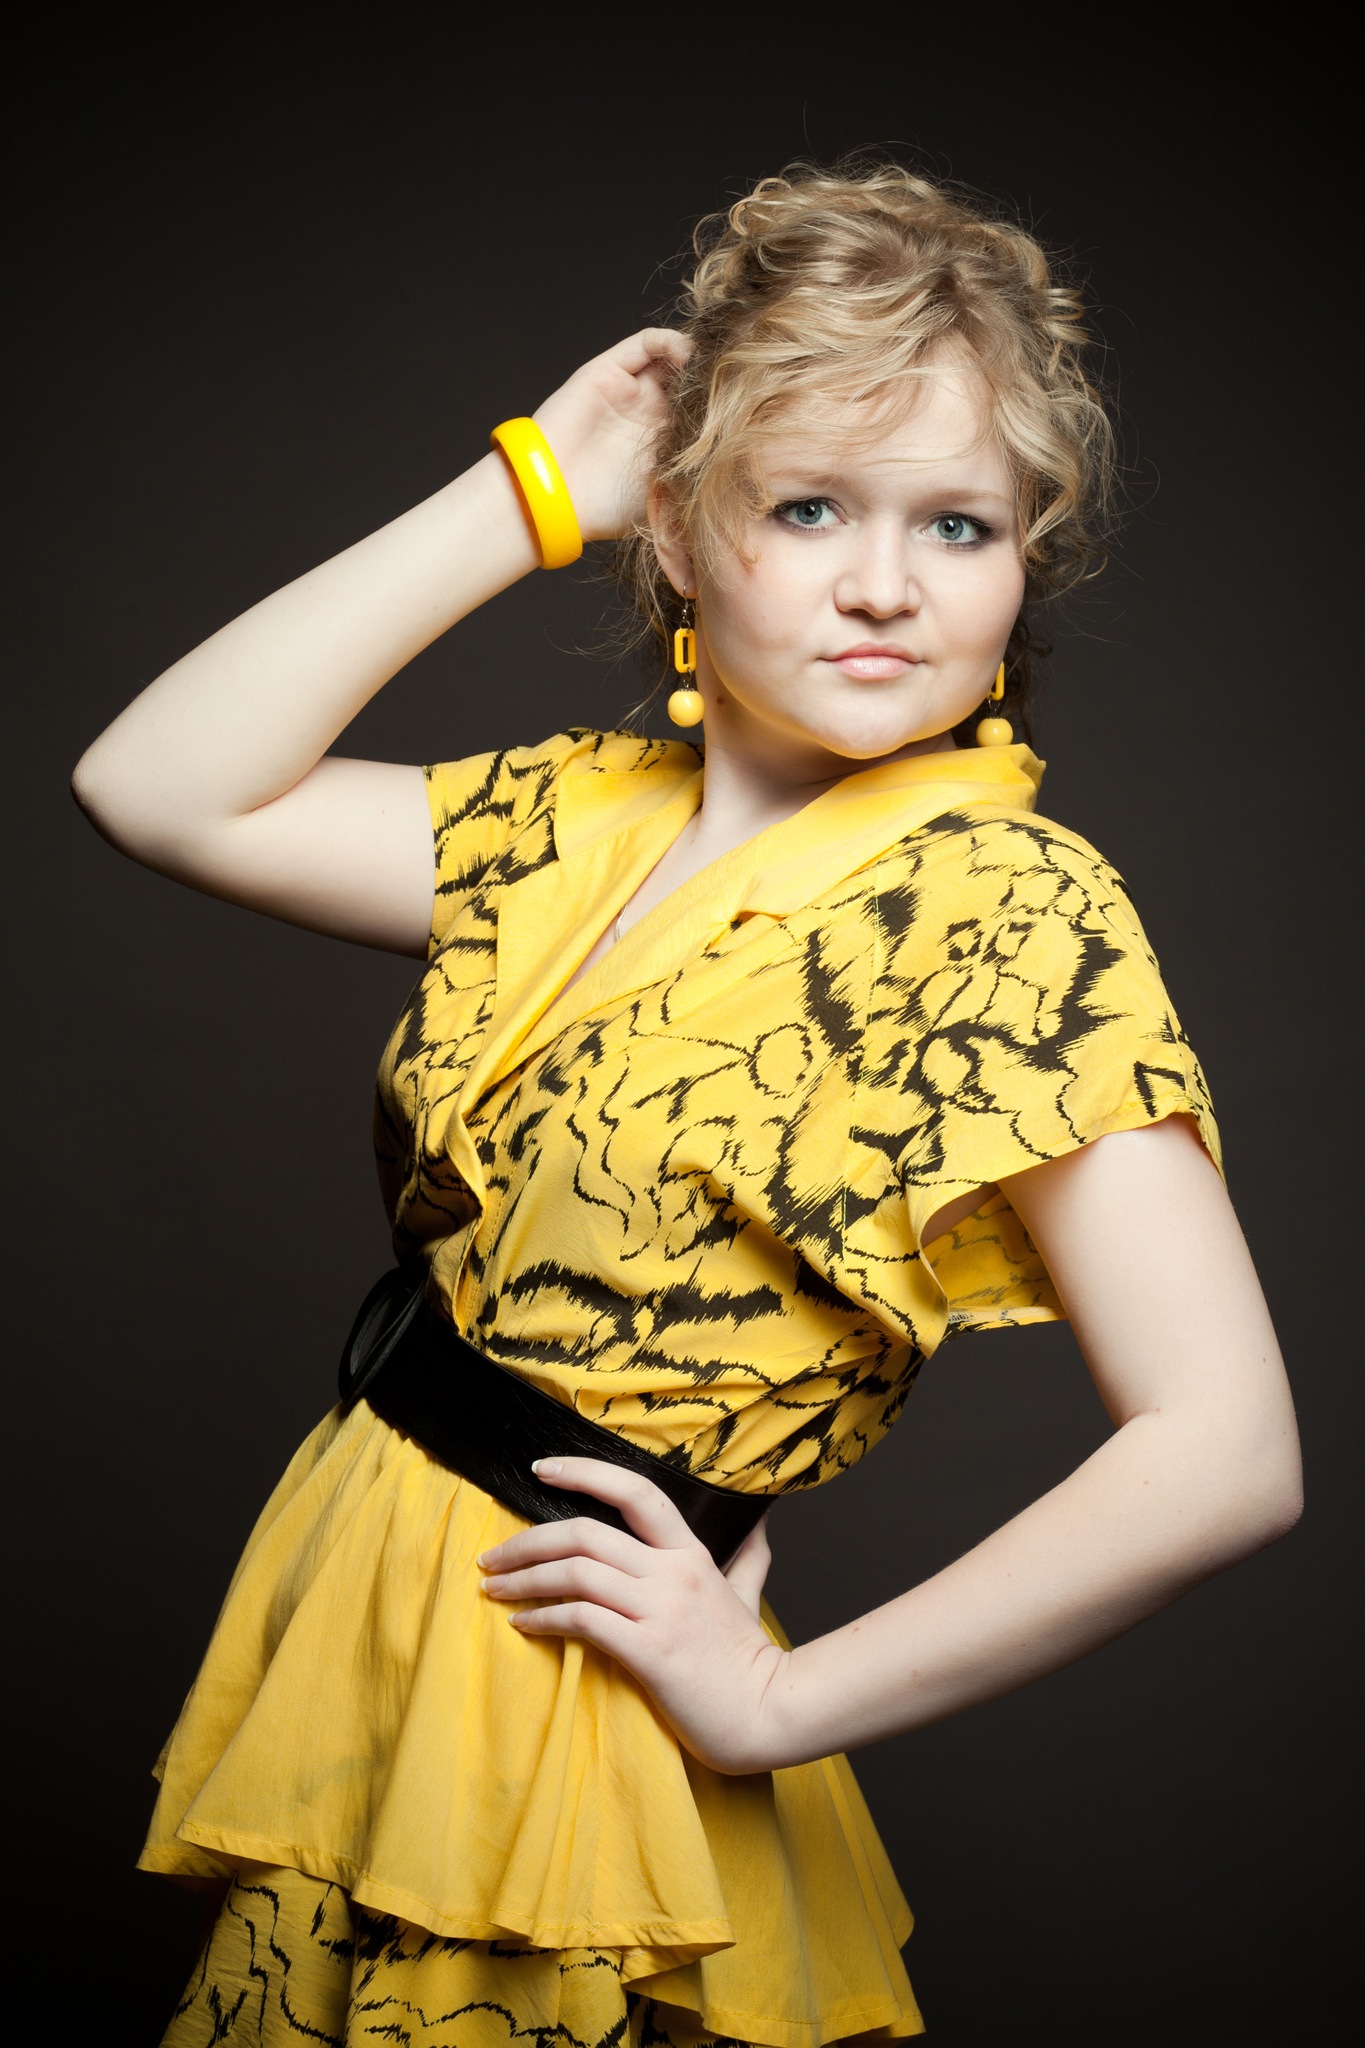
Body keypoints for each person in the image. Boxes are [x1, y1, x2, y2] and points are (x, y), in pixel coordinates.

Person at [73, 162, 1301, 2047]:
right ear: (674, 526)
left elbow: (1223, 1449)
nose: (885, 584)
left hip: (565, 1708)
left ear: (1020, 561)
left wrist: (778, 1700)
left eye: (958, 523)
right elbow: (157, 785)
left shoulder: (1000, 911)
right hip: (372, 1622)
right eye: (807, 506)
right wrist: (521, 494)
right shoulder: (568, 817)